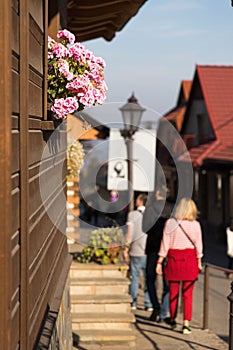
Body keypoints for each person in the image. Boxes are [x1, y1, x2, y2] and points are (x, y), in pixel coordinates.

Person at [156, 198, 203, 334]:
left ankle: (173, 318)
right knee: (188, 294)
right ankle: (186, 323)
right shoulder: (196, 225)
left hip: (173, 260)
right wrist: (199, 262)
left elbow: (165, 244)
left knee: (173, 292)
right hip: (190, 260)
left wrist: (159, 261)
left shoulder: (170, 223)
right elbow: (199, 245)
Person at [142, 187, 172, 322]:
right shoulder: (172, 208)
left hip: (153, 248)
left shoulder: (150, 208)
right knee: (168, 282)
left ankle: (156, 307)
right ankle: (164, 311)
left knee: (150, 279)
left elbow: (144, 228)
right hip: (168, 250)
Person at [123, 193, 153, 311]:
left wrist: (126, 248)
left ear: (140, 201)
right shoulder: (152, 215)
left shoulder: (132, 215)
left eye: (137, 199)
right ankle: (148, 303)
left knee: (134, 277)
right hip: (148, 251)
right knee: (148, 278)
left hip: (136, 249)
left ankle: (133, 302)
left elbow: (129, 234)